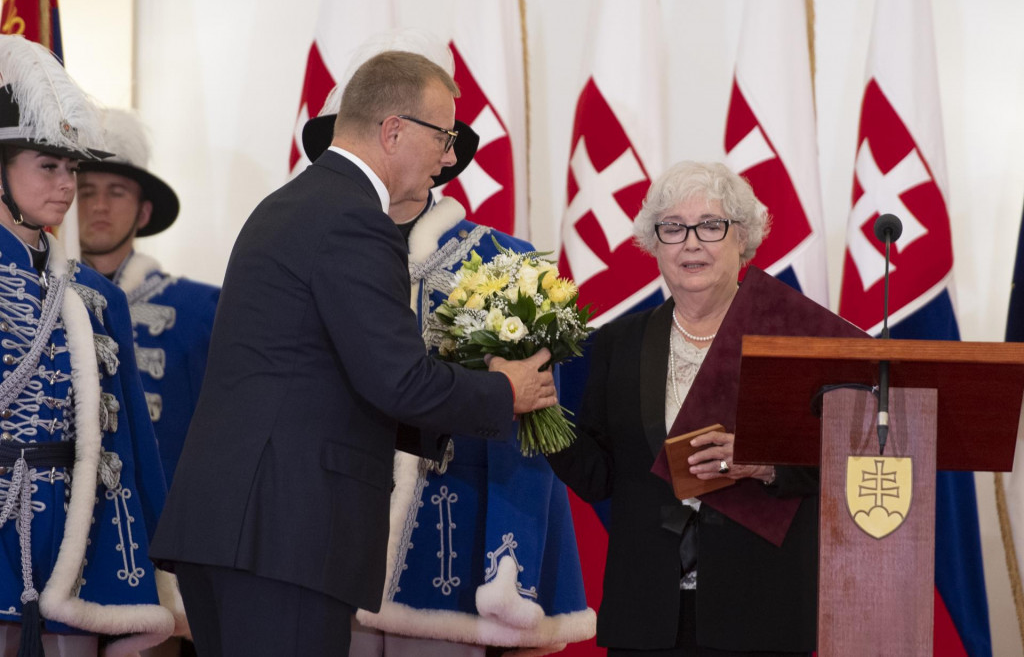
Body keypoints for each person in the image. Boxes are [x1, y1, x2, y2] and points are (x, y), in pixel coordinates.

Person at [149, 50, 558, 657]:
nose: (450, 158)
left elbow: (323, 376)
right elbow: (397, 380)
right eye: (443, 137)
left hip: (237, 529)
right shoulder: (355, 219)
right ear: (394, 130)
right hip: (284, 534)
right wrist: (505, 391)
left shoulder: (293, 203)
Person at [303, 65, 596, 656]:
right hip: (322, 543)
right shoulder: (308, 250)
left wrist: (509, 567)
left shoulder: (504, 263)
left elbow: (531, 431)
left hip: (448, 558)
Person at [545, 161, 864, 656]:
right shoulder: (618, 343)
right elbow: (598, 477)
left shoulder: (792, 338)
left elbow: (850, 457)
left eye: (711, 226)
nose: (691, 243)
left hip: (762, 614)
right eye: (673, 228)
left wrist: (764, 463)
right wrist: (539, 415)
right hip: (648, 619)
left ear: (743, 238)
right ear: (655, 245)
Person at [0, 35, 178, 656]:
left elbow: (132, 443)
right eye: (48, 166)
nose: (67, 185)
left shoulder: (98, 297)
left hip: (78, 541)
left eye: (71, 168)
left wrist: (156, 565)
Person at [76, 108, 220, 488]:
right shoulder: (42, 302)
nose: (99, 206)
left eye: (116, 192)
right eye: (86, 192)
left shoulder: (199, 313)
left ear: (143, 212)